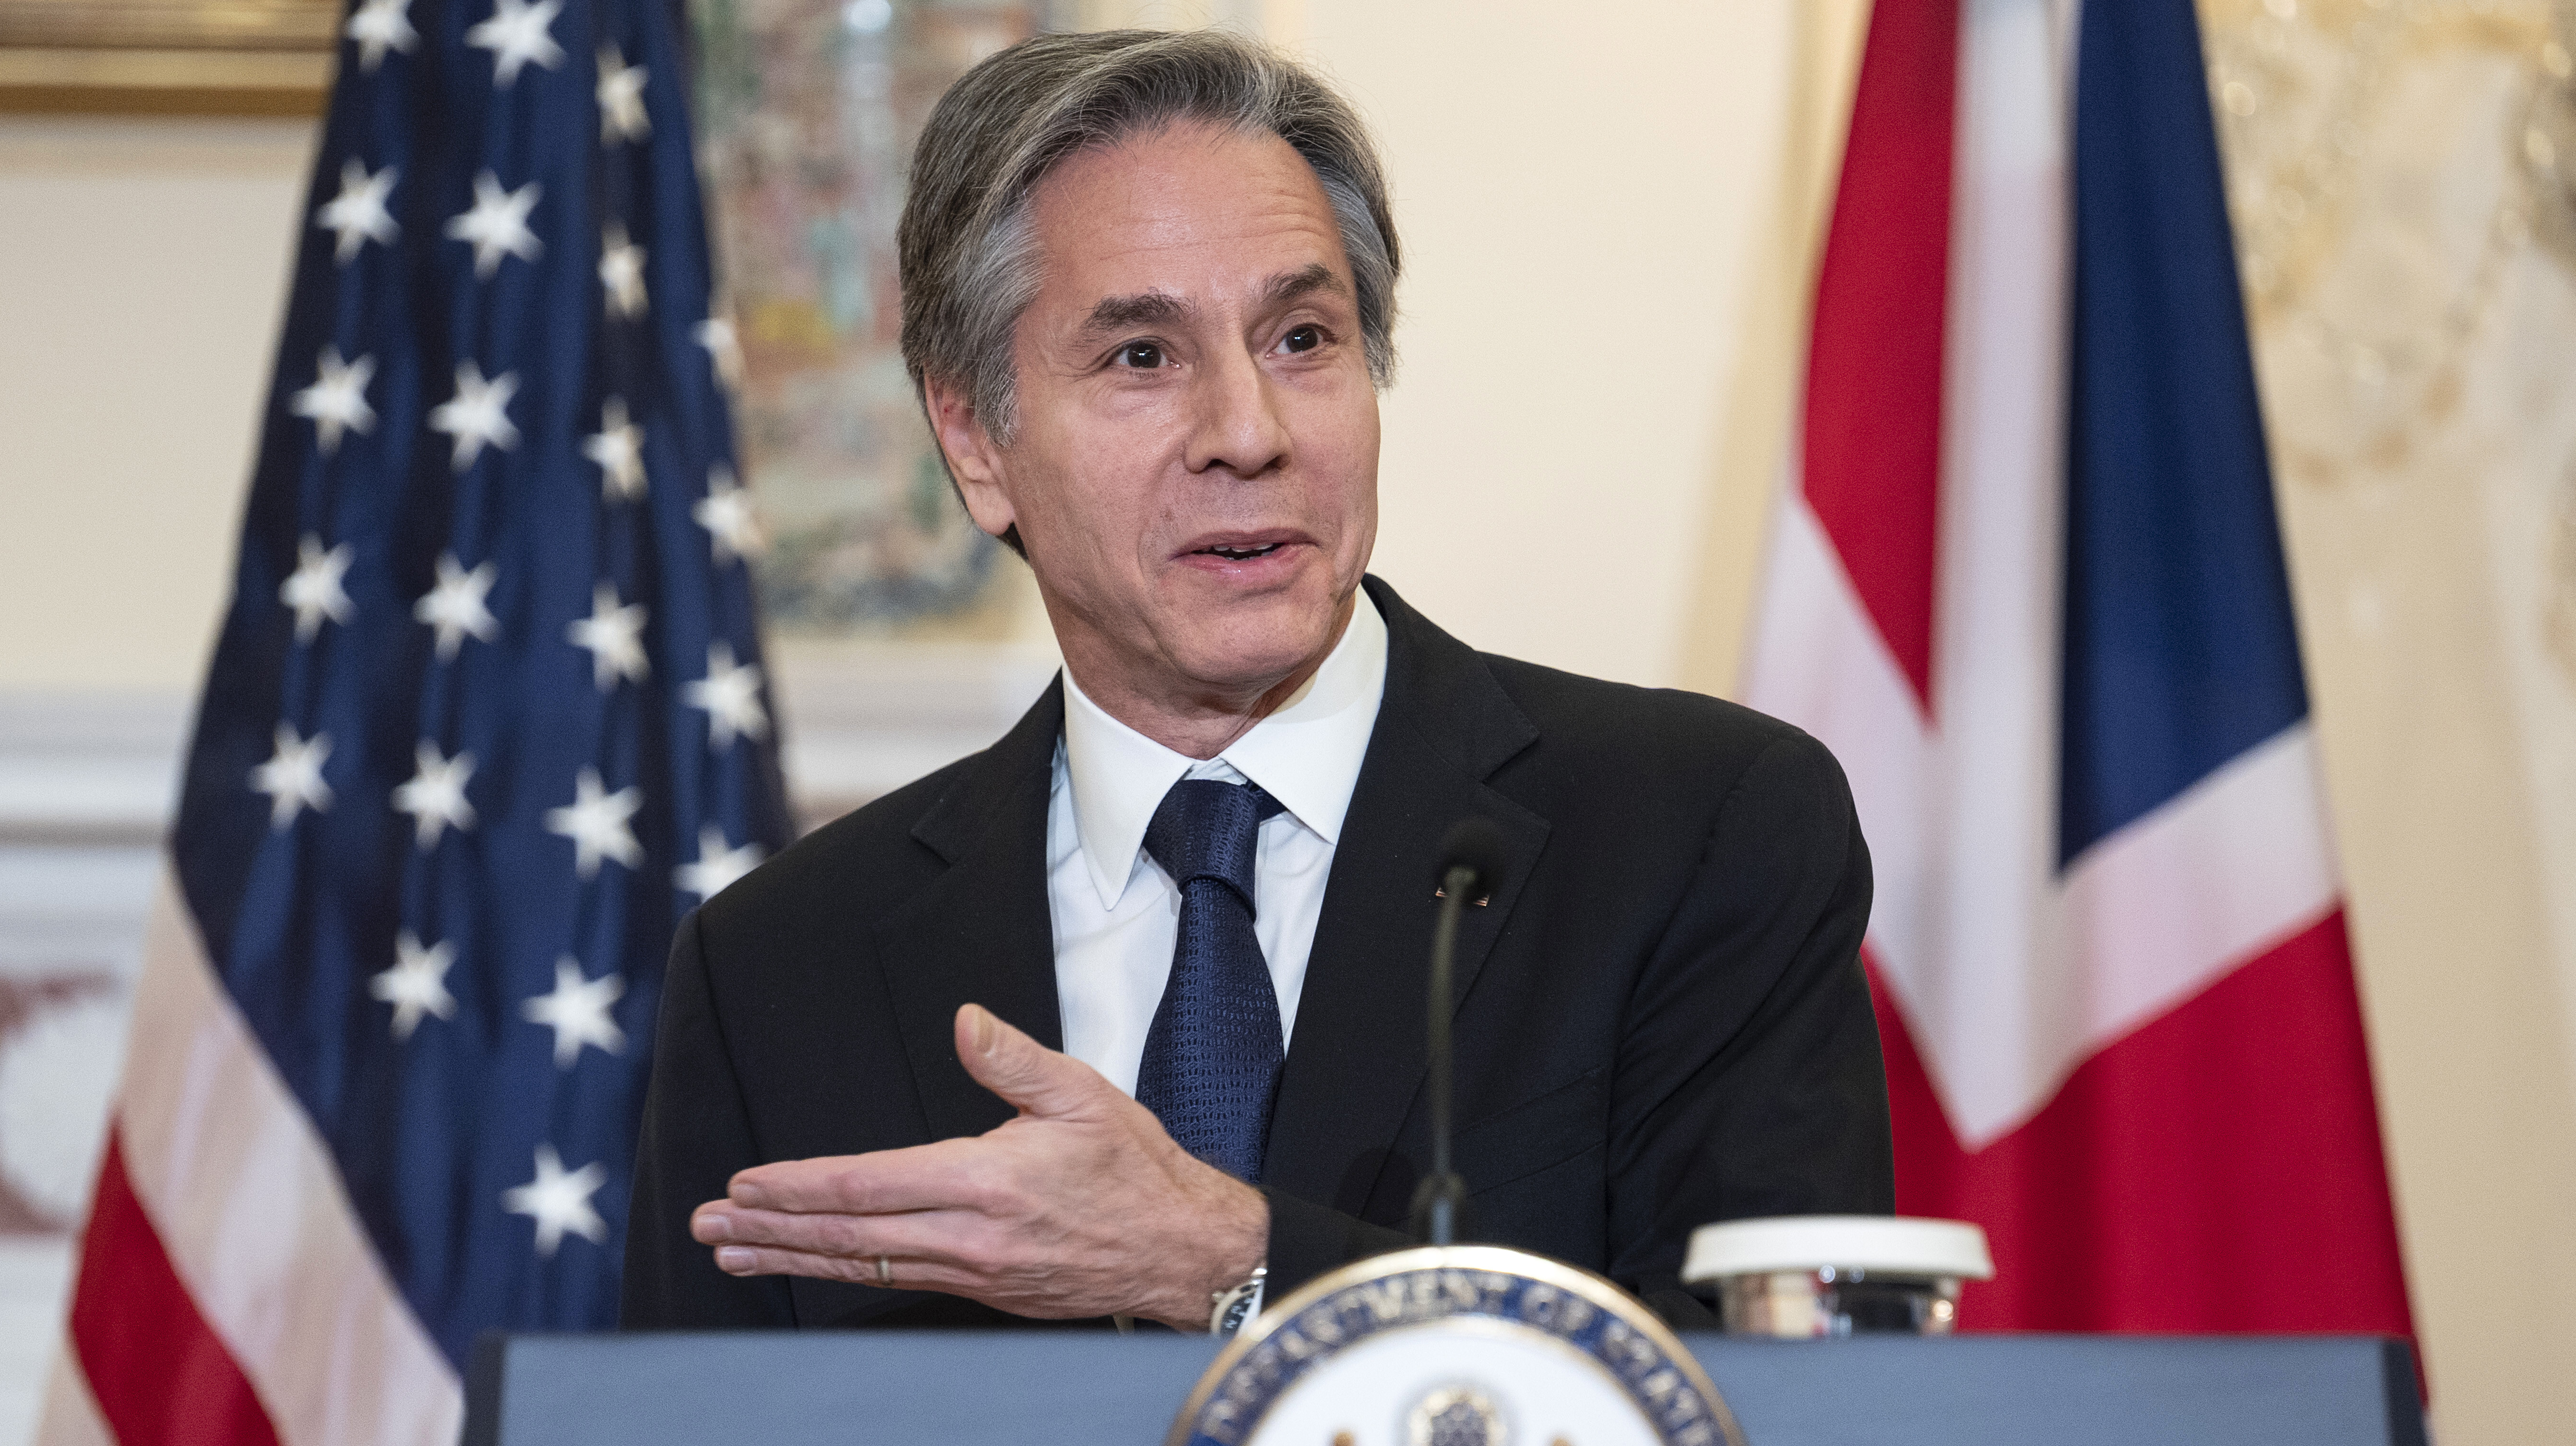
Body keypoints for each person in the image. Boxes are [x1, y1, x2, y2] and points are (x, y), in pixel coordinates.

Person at [622, 28, 1891, 1342]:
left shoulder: (1698, 835)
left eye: (1301, 338)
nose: (1249, 433)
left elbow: (1774, 1426)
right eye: (1141, 358)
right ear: (975, 440)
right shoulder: (782, 966)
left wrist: (1236, 1271)